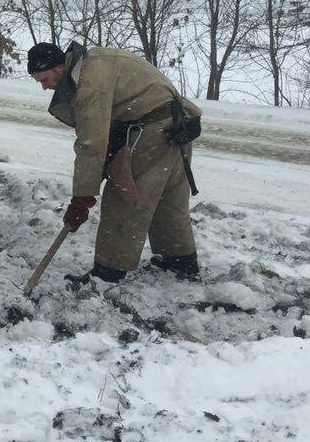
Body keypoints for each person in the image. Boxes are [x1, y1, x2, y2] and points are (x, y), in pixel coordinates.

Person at [28, 41, 203, 284]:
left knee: (124, 197)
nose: (45, 87)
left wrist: (82, 197)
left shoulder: (88, 84)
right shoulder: (93, 60)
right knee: (167, 197)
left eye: (44, 79)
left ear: (59, 68)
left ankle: (107, 272)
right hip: (176, 123)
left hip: (153, 131)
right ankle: (180, 261)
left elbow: (92, 144)